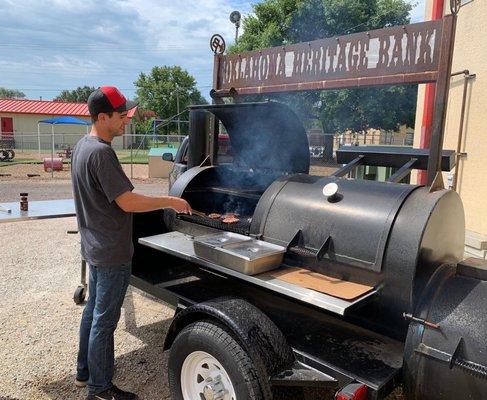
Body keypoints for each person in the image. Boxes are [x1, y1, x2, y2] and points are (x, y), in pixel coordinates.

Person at [71, 86, 191, 400]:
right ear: (101, 117)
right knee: (104, 321)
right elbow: (127, 202)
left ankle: (85, 371)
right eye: (121, 115)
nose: (126, 120)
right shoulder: (101, 152)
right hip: (111, 251)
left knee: (94, 312)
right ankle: (99, 389)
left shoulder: (82, 145)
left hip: (95, 246)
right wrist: (170, 201)